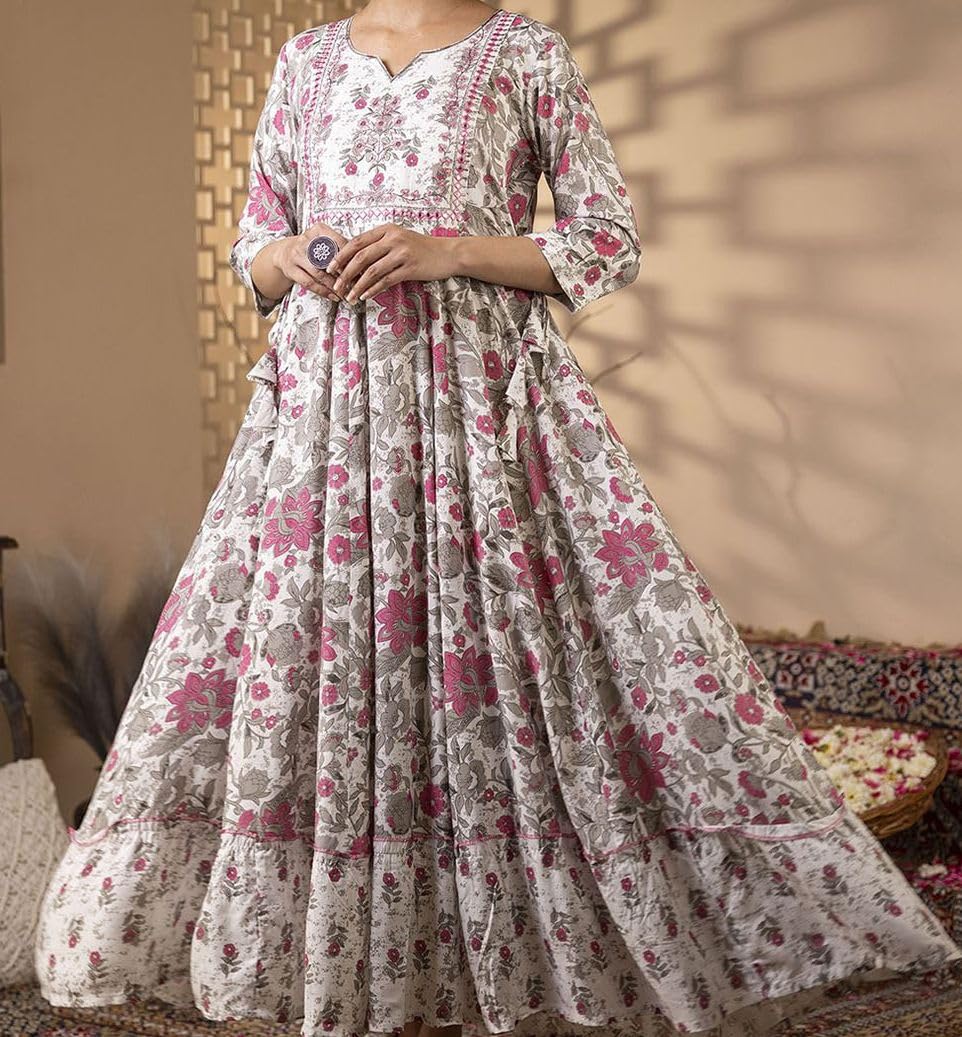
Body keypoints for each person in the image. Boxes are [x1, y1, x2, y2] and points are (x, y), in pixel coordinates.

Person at [34, 2, 962, 1036]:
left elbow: (605, 242)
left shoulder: (522, 53)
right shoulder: (303, 61)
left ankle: (533, 955)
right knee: (330, 661)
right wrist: (290, 254)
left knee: (499, 664)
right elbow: (251, 246)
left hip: (475, 408)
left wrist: (447, 250)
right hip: (327, 423)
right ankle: (354, 962)